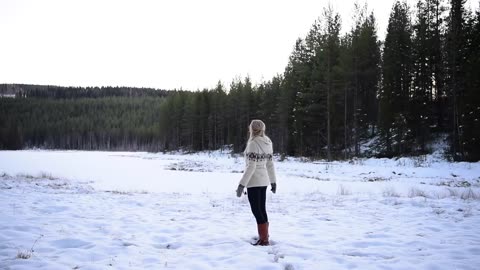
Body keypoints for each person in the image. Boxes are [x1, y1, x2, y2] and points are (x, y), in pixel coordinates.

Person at [236, 119, 277, 246]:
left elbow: (251, 167)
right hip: (264, 180)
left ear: (252, 129)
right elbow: (270, 164)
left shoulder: (253, 143)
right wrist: (273, 182)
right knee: (262, 209)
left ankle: (264, 240)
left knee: (256, 210)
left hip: (254, 181)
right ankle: (265, 236)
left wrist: (241, 185)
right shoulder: (268, 142)